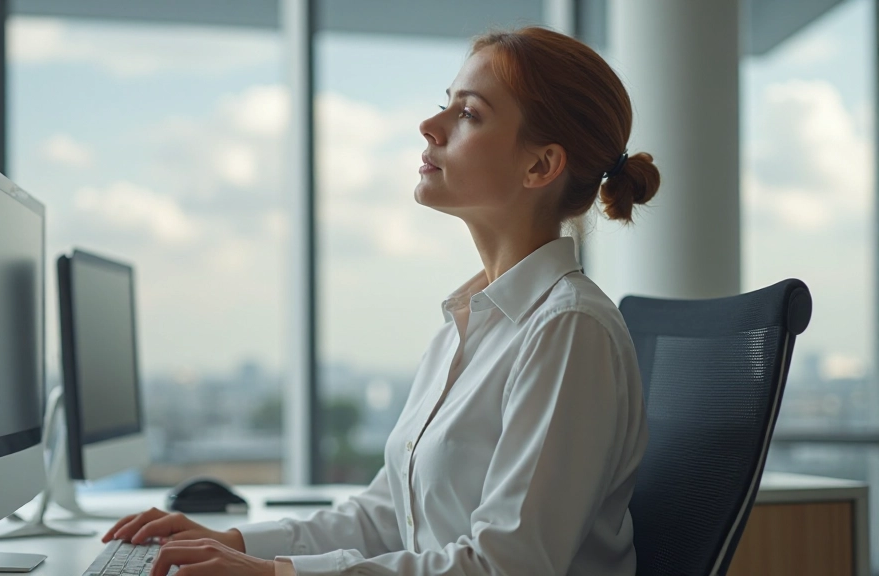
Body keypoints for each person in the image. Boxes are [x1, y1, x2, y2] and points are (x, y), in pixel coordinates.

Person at [104, 26, 660, 576]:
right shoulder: (469, 322)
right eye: (447, 104)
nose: (429, 124)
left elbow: (505, 567)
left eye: (468, 114)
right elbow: (388, 517)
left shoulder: (567, 330)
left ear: (539, 165)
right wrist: (234, 541)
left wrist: (277, 575)